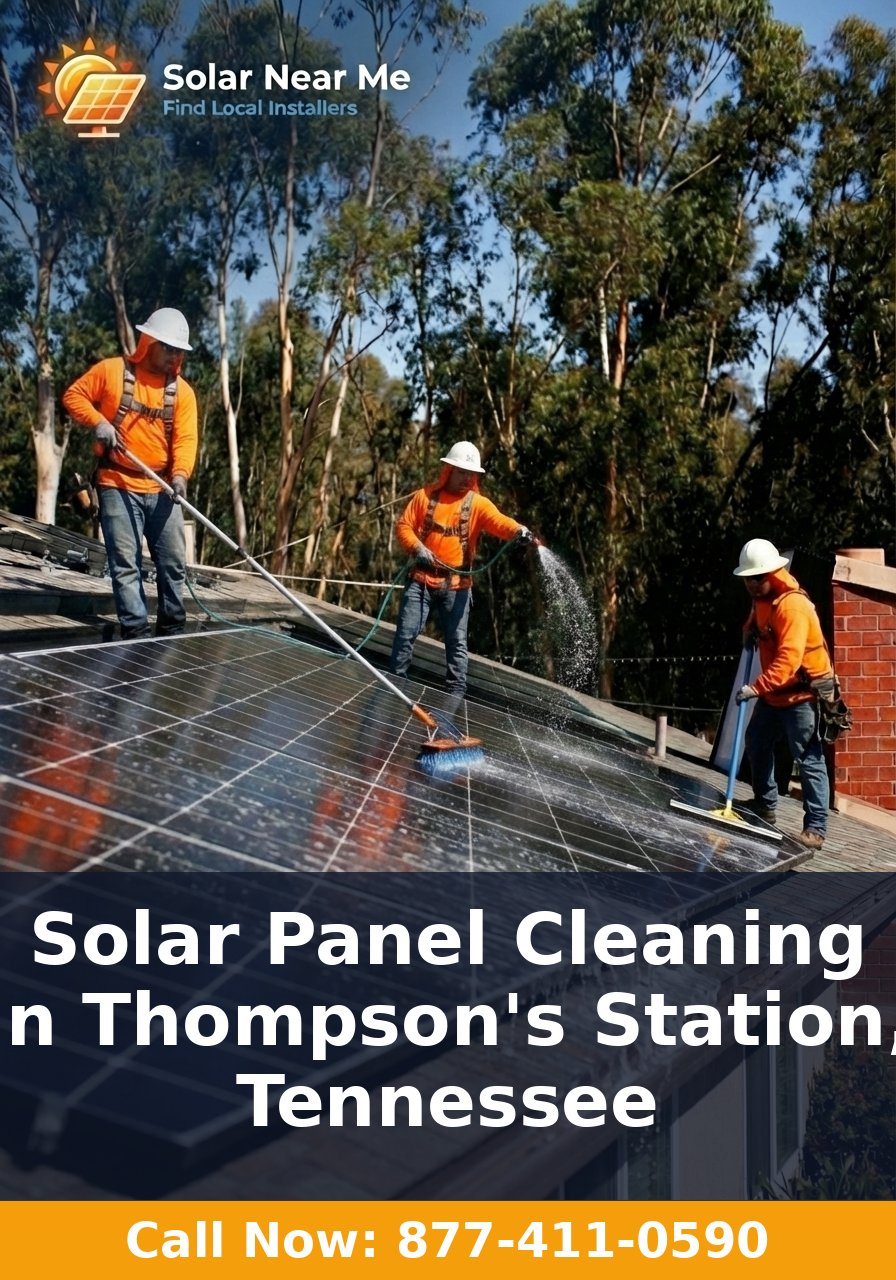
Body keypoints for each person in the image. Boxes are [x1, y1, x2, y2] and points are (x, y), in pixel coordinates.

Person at [63, 308, 198, 639]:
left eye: (179, 350)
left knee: (173, 564)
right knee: (126, 563)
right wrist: (99, 422)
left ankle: (171, 632)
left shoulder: (182, 393)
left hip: (163, 488)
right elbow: (73, 396)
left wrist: (180, 476)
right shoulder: (112, 372)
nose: (174, 356)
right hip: (117, 482)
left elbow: (186, 439)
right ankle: (137, 635)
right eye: (168, 347)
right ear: (148, 342)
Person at [390, 441, 534, 696]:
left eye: (471, 474)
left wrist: (518, 530)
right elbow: (404, 526)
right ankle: (394, 684)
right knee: (406, 633)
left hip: (457, 586)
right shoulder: (425, 496)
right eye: (461, 472)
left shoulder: (477, 504)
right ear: (448, 470)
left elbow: (499, 522)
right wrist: (417, 547)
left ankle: (456, 695)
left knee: (457, 643)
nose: (467, 478)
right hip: (421, 580)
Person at [732, 538, 833, 850]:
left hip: (801, 695)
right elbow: (757, 618)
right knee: (757, 741)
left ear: (772, 574)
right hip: (775, 693)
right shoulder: (762, 596)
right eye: (747, 578)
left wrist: (755, 688)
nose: (751, 583)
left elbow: (789, 661)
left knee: (808, 757)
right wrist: (748, 629)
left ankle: (816, 828)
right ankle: (764, 804)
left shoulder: (792, 607)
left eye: (756, 577)